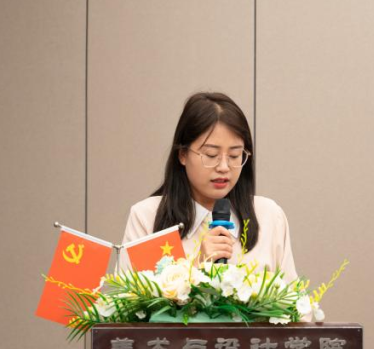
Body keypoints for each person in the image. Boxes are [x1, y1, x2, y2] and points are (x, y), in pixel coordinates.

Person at [122, 92, 298, 280]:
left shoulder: (269, 216)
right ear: (183, 154)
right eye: (211, 155)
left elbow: (293, 297)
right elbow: (129, 297)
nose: (224, 167)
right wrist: (197, 266)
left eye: (234, 156)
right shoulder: (147, 217)